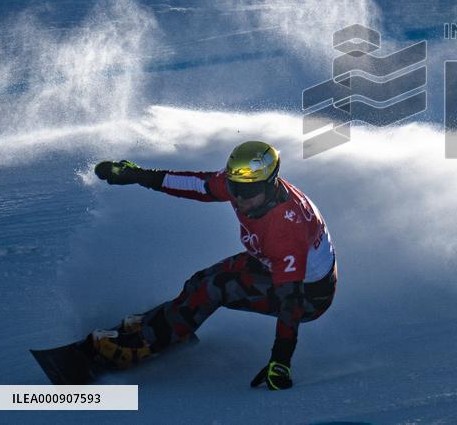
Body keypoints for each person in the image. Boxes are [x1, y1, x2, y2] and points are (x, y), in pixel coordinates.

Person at [87, 140, 336, 390]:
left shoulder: (285, 229)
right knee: (200, 280)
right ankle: (171, 326)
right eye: (234, 187)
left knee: (214, 288)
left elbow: (290, 302)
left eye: (248, 192)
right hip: (270, 264)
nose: (239, 198)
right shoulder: (246, 186)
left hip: (308, 296)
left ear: (270, 185)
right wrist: (137, 175)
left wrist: (280, 360)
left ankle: (147, 343)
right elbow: (196, 185)